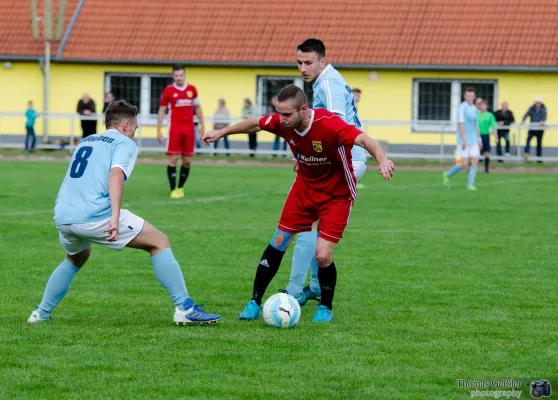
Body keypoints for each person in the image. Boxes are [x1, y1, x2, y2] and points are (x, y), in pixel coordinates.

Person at [202, 85, 394, 323]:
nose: (281, 120)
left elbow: (364, 140)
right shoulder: (284, 122)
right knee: (280, 239)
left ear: (303, 110)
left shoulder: (329, 124)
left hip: (337, 195)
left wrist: (382, 159)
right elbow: (254, 124)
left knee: (323, 256)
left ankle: (325, 306)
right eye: (279, 113)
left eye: (286, 115)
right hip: (304, 190)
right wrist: (221, 132)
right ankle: (254, 301)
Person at [27, 100, 221, 325]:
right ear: (126, 125)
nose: (135, 133)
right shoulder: (124, 143)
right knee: (159, 241)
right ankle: (184, 308)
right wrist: (115, 216)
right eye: (136, 128)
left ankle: (40, 314)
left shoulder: (86, 140)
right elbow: (116, 175)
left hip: (63, 214)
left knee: (76, 256)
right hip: (94, 214)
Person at [282, 38, 369, 305]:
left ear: (322, 61)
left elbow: (334, 127)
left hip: (341, 162)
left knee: (305, 225)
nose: (303, 68)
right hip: (342, 161)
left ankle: (293, 291)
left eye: (308, 62)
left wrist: (310, 158)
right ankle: (316, 286)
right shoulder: (326, 80)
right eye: (299, 63)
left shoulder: (328, 84)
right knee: (313, 227)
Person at [157, 64, 205, 198]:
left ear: (184, 75)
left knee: (187, 160)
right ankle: (173, 189)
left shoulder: (192, 89)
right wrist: (159, 129)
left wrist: (202, 126)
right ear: (173, 76)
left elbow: (198, 109)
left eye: (181, 75)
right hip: (175, 129)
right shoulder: (168, 90)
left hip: (189, 129)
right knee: (173, 159)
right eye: (176, 75)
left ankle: (180, 187)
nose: (179, 78)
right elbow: (162, 110)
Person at [442, 87, 481, 190]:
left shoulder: (475, 108)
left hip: (474, 140)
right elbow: (461, 124)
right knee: (463, 164)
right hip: (464, 140)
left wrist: (479, 139)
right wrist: (464, 139)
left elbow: (476, 125)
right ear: (464, 96)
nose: (469, 97)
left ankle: (470, 185)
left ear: (474, 97)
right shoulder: (462, 107)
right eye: (467, 96)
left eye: (471, 96)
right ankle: (447, 175)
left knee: (475, 161)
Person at [523, 97, 547, 162]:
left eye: (539, 103)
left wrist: (542, 120)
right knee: (528, 140)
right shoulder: (531, 108)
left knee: (539, 144)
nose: (537, 104)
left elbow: (544, 116)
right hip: (532, 129)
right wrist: (523, 120)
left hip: (539, 130)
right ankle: (526, 154)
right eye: (537, 102)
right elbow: (527, 114)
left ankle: (539, 159)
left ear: (541, 103)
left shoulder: (543, 109)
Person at [477, 100, 497, 173]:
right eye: (481, 105)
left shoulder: (490, 115)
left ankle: (486, 168)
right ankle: (471, 168)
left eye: (484, 105)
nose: (483, 107)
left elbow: (494, 126)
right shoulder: (476, 114)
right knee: (475, 152)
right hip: (477, 135)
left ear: (486, 106)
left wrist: (496, 137)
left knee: (486, 152)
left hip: (485, 135)